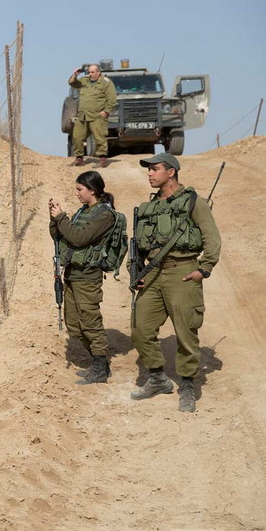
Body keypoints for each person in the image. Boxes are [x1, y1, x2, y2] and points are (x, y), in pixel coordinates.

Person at [130, 154, 221, 412]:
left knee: (186, 332)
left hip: (183, 272)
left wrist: (204, 269)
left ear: (171, 172)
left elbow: (211, 237)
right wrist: (135, 272)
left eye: (155, 169)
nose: (150, 174)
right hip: (152, 274)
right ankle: (157, 378)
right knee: (140, 329)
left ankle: (188, 386)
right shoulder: (147, 207)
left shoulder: (193, 202)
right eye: (148, 170)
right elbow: (136, 246)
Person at [49, 171, 117, 384]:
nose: (77, 193)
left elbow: (78, 238)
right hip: (72, 273)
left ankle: (99, 367)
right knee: (74, 324)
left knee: (90, 322)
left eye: (80, 189)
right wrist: (54, 218)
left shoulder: (104, 215)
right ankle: (99, 364)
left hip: (88, 275)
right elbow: (61, 236)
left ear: (93, 190)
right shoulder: (82, 212)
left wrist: (61, 217)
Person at [68, 64, 117, 168]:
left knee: (100, 138)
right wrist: (75, 75)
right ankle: (79, 159)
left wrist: (106, 111)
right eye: (89, 72)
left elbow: (112, 99)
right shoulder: (85, 80)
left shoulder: (106, 83)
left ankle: (102, 160)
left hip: (97, 116)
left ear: (99, 72)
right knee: (77, 137)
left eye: (93, 72)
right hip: (83, 115)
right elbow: (72, 83)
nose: (90, 74)